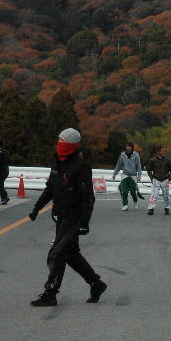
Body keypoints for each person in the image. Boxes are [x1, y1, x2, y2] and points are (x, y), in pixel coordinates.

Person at [27, 128, 106, 307]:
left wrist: (84, 222)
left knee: (56, 253)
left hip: (74, 217)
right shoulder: (57, 162)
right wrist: (37, 208)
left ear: (71, 145)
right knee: (70, 254)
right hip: (60, 216)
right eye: (59, 140)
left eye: (62, 141)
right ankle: (96, 283)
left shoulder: (81, 166)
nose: (59, 144)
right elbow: (50, 188)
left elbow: (88, 197)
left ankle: (50, 293)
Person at [112, 141, 143, 211]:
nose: (127, 148)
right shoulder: (122, 155)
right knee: (124, 191)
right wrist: (114, 174)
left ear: (132, 148)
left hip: (133, 176)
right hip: (125, 175)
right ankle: (125, 205)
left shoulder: (136, 155)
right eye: (127, 146)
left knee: (133, 192)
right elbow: (118, 165)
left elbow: (139, 165)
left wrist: (139, 175)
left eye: (129, 146)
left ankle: (135, 201)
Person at [146, 145, 171, 216]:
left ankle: (167, 208)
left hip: (165, 179)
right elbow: (148, 169)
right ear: (158, 152)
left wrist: (169, 179)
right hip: (156, 179)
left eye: (164, 151)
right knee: (153, 195)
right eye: (162, 151)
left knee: (166, 195)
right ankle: (151, 208)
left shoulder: (168, 160)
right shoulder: (152, 160)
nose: (164, 152)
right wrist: (152, 178)